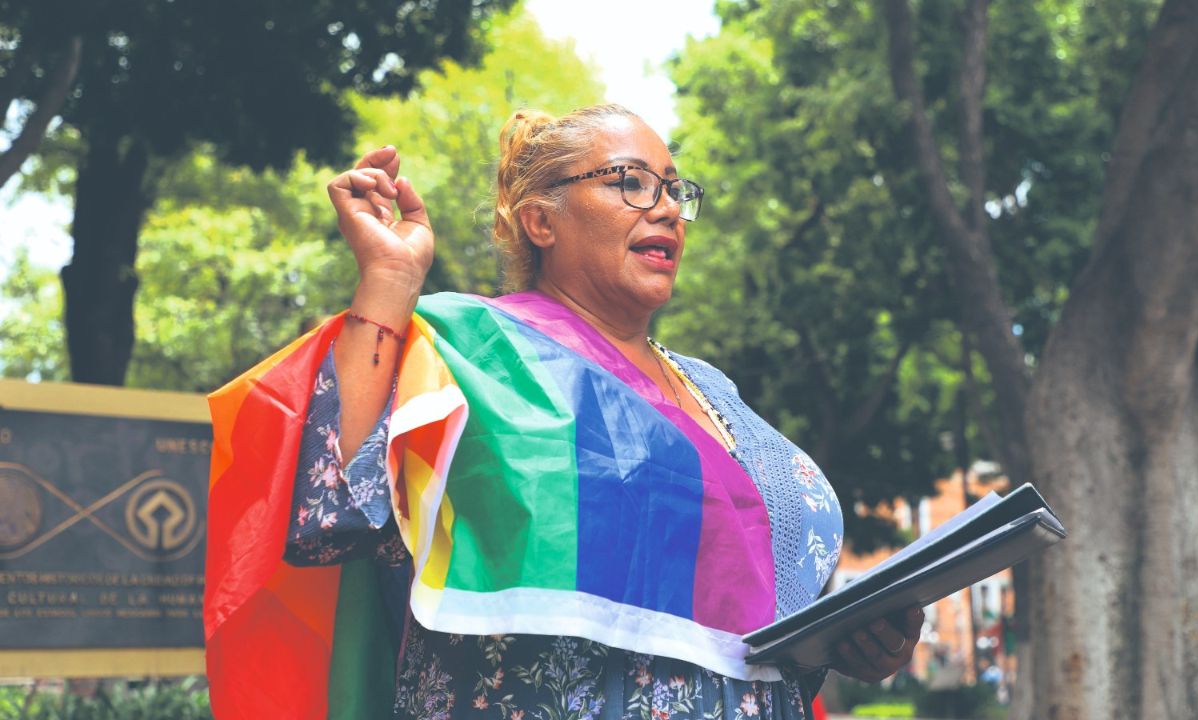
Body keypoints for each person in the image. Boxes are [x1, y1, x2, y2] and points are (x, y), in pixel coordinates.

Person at [204, 104, 922, 719]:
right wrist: (390, 279)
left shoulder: (712, 392)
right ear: (540, 222)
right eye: (631, 183)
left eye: (674, 190)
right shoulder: (471, 348)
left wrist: (854, 642)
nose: (667, 208)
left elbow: (754, 621)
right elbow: (337, 511)